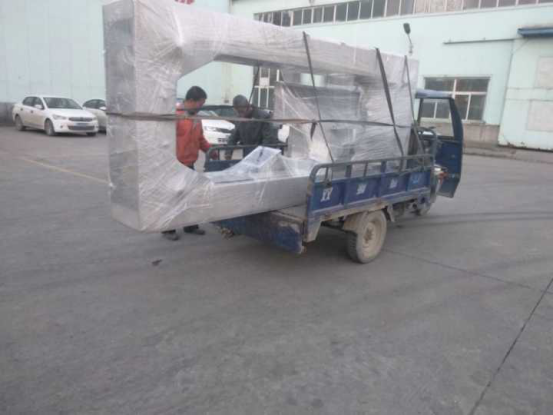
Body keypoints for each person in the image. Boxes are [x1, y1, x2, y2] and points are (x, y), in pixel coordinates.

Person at [162, 86, 214, 241]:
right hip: (175, 164)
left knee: (190, 196)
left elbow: (200, 139)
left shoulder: (196, 118)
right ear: (191, 101)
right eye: (200, 104)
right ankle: (168, 229)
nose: (201, 108)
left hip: (190, 163)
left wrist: (211, 150)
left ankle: (190, 226)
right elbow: (165, 140)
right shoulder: (176, 116)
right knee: (173, 197)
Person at [225, 95, 278, 160]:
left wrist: (259, 155)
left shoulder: (263, 117)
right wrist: (228, 152)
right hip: (247, 155)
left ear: (248, 107)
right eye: (238, 112)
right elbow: (234, 136)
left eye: (242, 111)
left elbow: (269, 139)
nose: (241, 115)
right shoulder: (239, 119)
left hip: (262, 156)